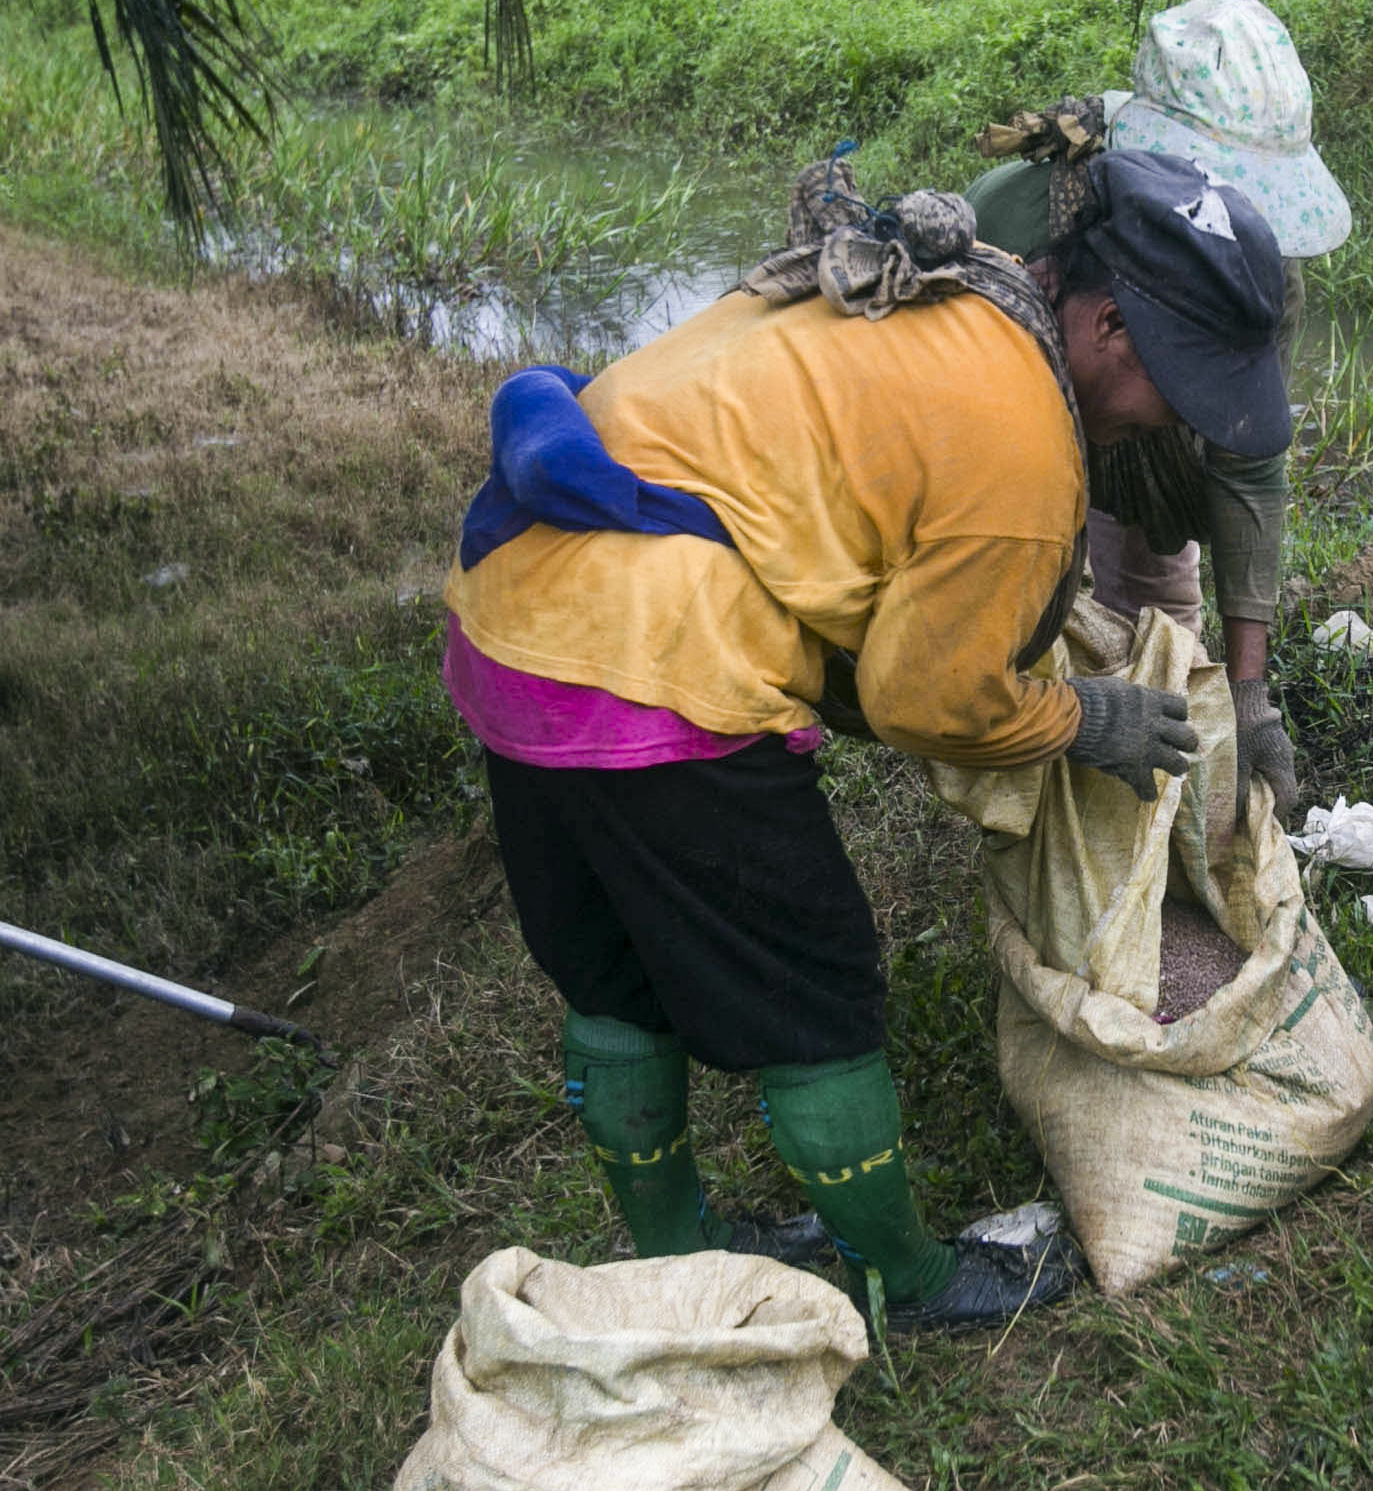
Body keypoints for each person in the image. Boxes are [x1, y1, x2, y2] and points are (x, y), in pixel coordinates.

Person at [443, 153, 1294, 1330]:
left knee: (613, 972)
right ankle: (911, 1281)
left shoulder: (949, 292)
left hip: (509, 619)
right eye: (1180, 386)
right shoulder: (1024, 453)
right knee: (820, 988)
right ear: (1102, 325)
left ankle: (670, 1249)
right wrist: (1082, 717)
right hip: (664, 664)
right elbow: (926, 700)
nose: (1175, 420)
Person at [960, 0, 1353, 824]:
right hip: (1002, 449)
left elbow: (1250, 471)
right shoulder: (1017, 218)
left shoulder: (1259, 281)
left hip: (1133, 434)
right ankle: (1038, 790)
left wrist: (1247, 696)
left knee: (1155, 640)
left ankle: (1162, 781)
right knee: (1018, 627)